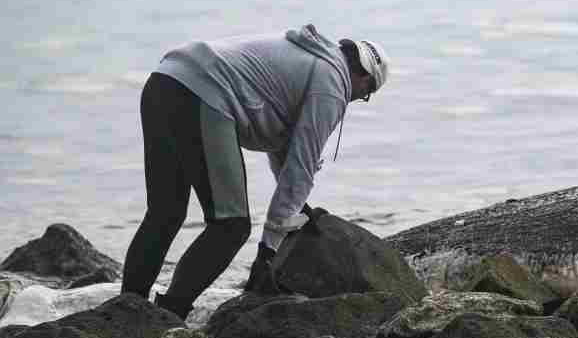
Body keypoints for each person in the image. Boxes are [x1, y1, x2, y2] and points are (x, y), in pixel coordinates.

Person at [120, 24, 389, 320]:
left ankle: (125, 312)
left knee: (165, 213)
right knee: (231, 226)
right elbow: (301, 167)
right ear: (363, 77)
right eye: (367, 93)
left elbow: (285, 152)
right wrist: (268, 251)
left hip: (165, 80)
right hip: (204, 93)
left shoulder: (313, 57)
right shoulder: (333, 83)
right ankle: (168, 317)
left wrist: (294, 208)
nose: (357, 99)